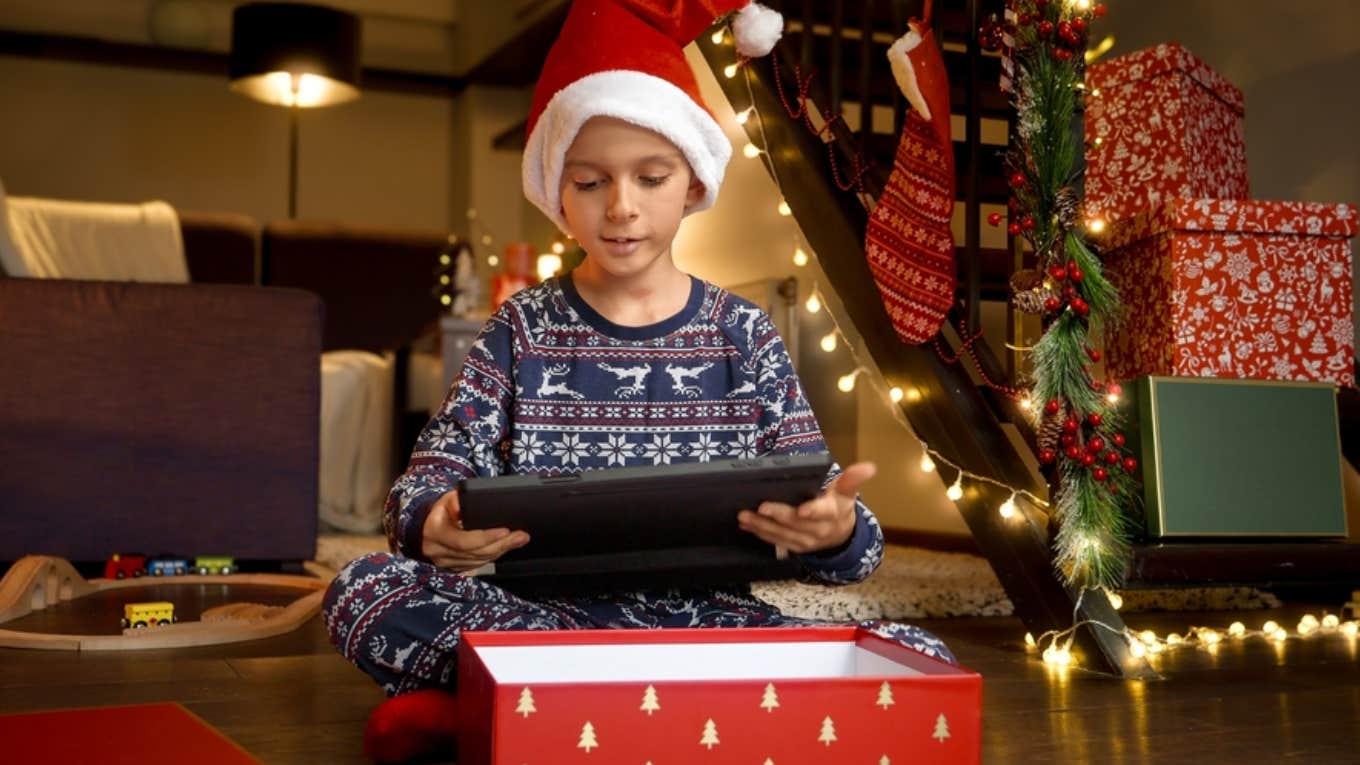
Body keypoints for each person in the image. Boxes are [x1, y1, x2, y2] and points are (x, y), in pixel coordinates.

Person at [323, 1, 953, 760]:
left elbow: (852, 544)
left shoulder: (744, 334)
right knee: (361, 588)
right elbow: (418, 491)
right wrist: (434, 523)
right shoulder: (518, 330)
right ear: (558, 194)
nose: (620, 207)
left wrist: (836, 528)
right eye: (590, 182)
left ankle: (528, 704)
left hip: (705, 623)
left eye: (650, 177)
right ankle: (660, 710)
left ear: (691, 182)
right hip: (540, 615)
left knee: (915, 651)